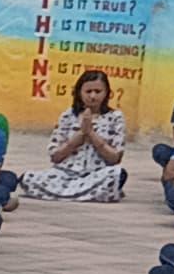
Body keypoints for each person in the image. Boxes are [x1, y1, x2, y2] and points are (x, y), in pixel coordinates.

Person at [27, 65, 131, 202]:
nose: (93, 96)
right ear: (79, 93)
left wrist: (91, 134)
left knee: (117, 174)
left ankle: (65, 193)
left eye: (98, 91)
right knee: (28, 178)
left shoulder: (115, 117)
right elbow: (55, 157)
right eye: (88, 91)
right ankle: (83, 193)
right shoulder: (68, 116)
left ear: (107, 93)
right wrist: (78, 138)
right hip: (65, 174)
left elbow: (115, 158)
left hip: (97, 174)